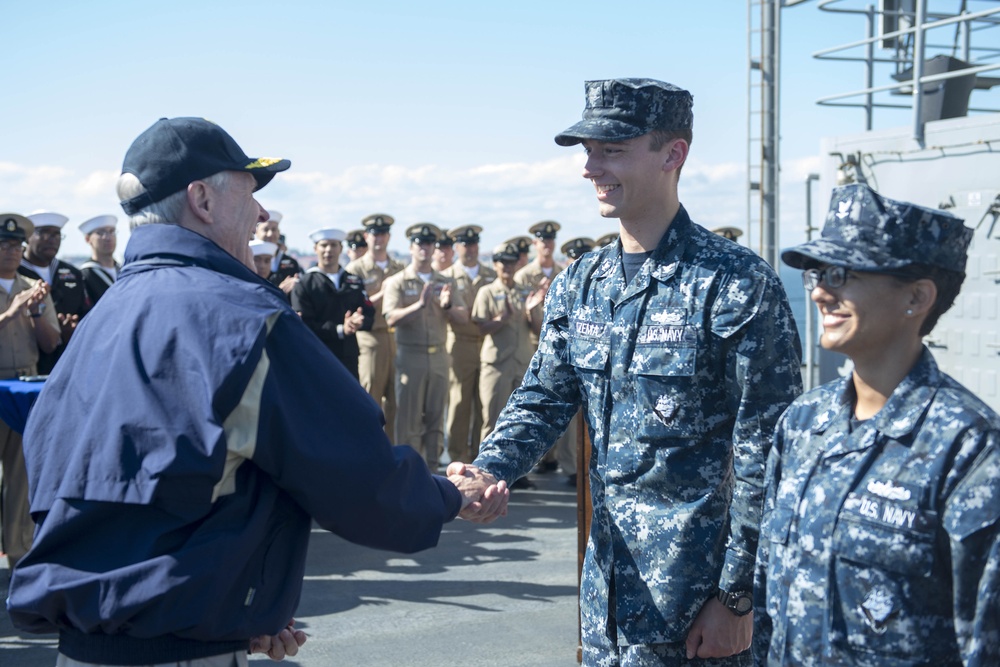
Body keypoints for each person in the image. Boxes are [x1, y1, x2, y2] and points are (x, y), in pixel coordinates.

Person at [6, 117, 507, 667]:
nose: (263, 216)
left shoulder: (104, 321)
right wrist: (452, 495)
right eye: (250, 193)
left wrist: (238, 606)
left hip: (90, 648)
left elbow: (92, 498)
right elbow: (360, 480)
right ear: (201, 199)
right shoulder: (243, 318)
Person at [462, 78, 803, 665]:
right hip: (609, 591)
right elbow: (544, 395)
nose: (590, 168)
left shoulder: (735, 284)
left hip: (698, 605)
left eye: (612, 150)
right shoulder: (581, 281)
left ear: (673, 154)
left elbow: (767, 454)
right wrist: (489, 469)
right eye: (587, 151)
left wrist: (739, 597)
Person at [754, 183, 999, 666]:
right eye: (818, 274)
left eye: (843, 274)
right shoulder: (803, 423)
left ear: (917, 297)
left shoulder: (968, 447)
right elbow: (768, 597)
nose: (822, 292)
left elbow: (985, 643)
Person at [0, 214, 60, 572]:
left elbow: (51, 342)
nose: (10, 252)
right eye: (4, 246)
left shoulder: (32, 285)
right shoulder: (17, 294)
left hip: (23, 388)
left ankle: (19, 553)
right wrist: (11, 311)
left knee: (22, 478)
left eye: (16, 247)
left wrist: (35, 311)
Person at [382, 223, 469, 468]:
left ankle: (432, 473)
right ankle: (407, 474)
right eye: (419, 243)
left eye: (429, 243)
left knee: (435, 421)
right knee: (408, 421)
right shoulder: (398, 281)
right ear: (410, 248)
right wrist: (418, 305)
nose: (425, 248)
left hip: (439, 356)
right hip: (411, 356)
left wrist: (448, 305)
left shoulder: (445, 281)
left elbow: (464, 317)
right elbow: (390, 318)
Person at [515, 220, 576, 484]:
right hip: (531, 346)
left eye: (551, 240)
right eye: (543, 240)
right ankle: (540, 459)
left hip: (560, 347)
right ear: (535, 244)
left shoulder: (565, 272)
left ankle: (567, 464)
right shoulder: (524, 276)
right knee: (536, 405)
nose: (547, 245)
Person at [472, 242, 539, 448]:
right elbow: (480, 328)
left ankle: (519, 474)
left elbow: (537, 329)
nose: (507, 267)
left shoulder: (526, 292)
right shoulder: (487, 292)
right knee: (492, 420)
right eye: (503, 263)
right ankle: (487, 470)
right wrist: (501, 320)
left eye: (511, 263)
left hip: (521, 362)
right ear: (495, 265)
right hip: (497, 365)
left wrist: (533, 310)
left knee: (521, 420)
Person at [345, 213, 405, 442]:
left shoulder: (399, 267)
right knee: (371, 399)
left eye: (382, 233)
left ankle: (392, 454)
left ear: (388, 237)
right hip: (370, 338)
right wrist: (385, 291)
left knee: (396, 402)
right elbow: (355, 305)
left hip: (397, 338)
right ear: (365, 236)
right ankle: (368, 450)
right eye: (373, 234)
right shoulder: (355, 269)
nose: (378, 238)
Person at [441, 225, 496, 463]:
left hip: (486, 343)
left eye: (473, 244)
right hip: (460, 344)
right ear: (456, 247)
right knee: (459, 403)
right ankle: (457, 458)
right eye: (464, 244)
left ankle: (480, 459)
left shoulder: (490, 275)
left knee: (485, 405)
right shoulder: (446, 277)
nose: (470, 249)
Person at [291, 228, 374, 379]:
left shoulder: (353, 281)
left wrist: (359, 322)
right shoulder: (305, 283)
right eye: (324, 245)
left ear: (341, 248)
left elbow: (369, 314)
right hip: (318, 357)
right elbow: (304, 325)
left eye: (334, 245)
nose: (328, 250)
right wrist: (340, 329)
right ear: (315, 249)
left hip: (349, 357)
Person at [19, 211, 89, 373]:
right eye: (43, 233)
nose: (51, 239)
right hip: (30, 363)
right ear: (27, 237)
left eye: (56, 234)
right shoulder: (14, 271)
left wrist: (73, 329)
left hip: (67, 361)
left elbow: (85, 312)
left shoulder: (72, 273)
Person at [255, 209, 300, 296]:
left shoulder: (291, 263)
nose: (270, 234)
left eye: (274, 229)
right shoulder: (247, 258)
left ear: (279, 233)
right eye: (265, 229)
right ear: (256, 232)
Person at [78, 214, 120, 306]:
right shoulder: (84, 275)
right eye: (100, 233)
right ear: (88, 239)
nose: (108, 237)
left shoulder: (124, 270)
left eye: (112, 231)